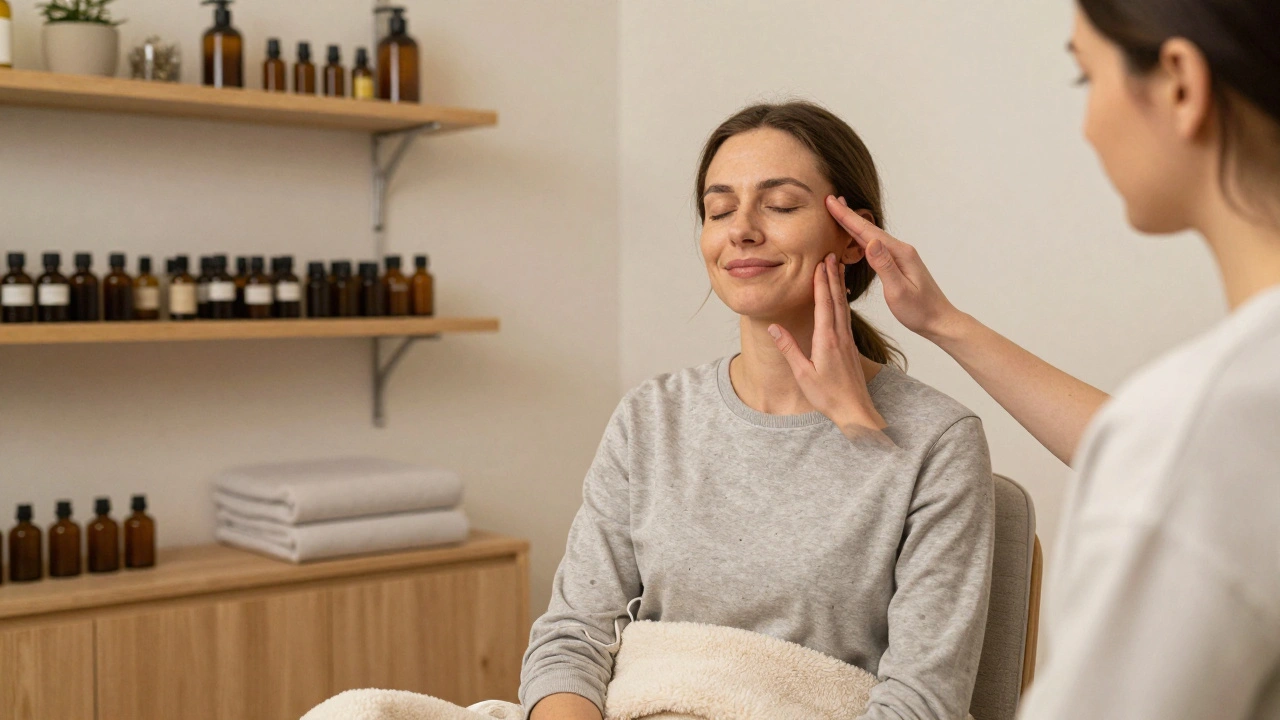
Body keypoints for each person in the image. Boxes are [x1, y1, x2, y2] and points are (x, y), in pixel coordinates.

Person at [816, 3, 1280, 718]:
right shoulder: (1216, 424)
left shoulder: (1201, 430)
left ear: (1182, 85)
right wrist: (944, 323)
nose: (1088, 123)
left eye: (1084, 77)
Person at [521, 102, 996, 720]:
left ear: (855, 236)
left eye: (780, 205)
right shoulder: (650, 418)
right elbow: (573, 638)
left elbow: (922, 703)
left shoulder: (937, 442)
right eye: (719, 209)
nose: (741, 229)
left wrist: (863, 437)